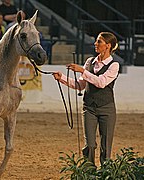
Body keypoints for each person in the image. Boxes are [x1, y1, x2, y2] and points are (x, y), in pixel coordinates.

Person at [53, 32, 120, 166]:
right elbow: (80, 85)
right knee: (89, 144)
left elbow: (101, 82)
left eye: (99, 42)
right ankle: (89, 171)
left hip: (107, 108)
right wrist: (62, 79)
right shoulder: (90, 62)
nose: (95, 44)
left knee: (106, 146)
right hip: (89, 108)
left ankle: (105, 172)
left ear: (108, 45)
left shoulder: (114, 65)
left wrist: (83, 71)